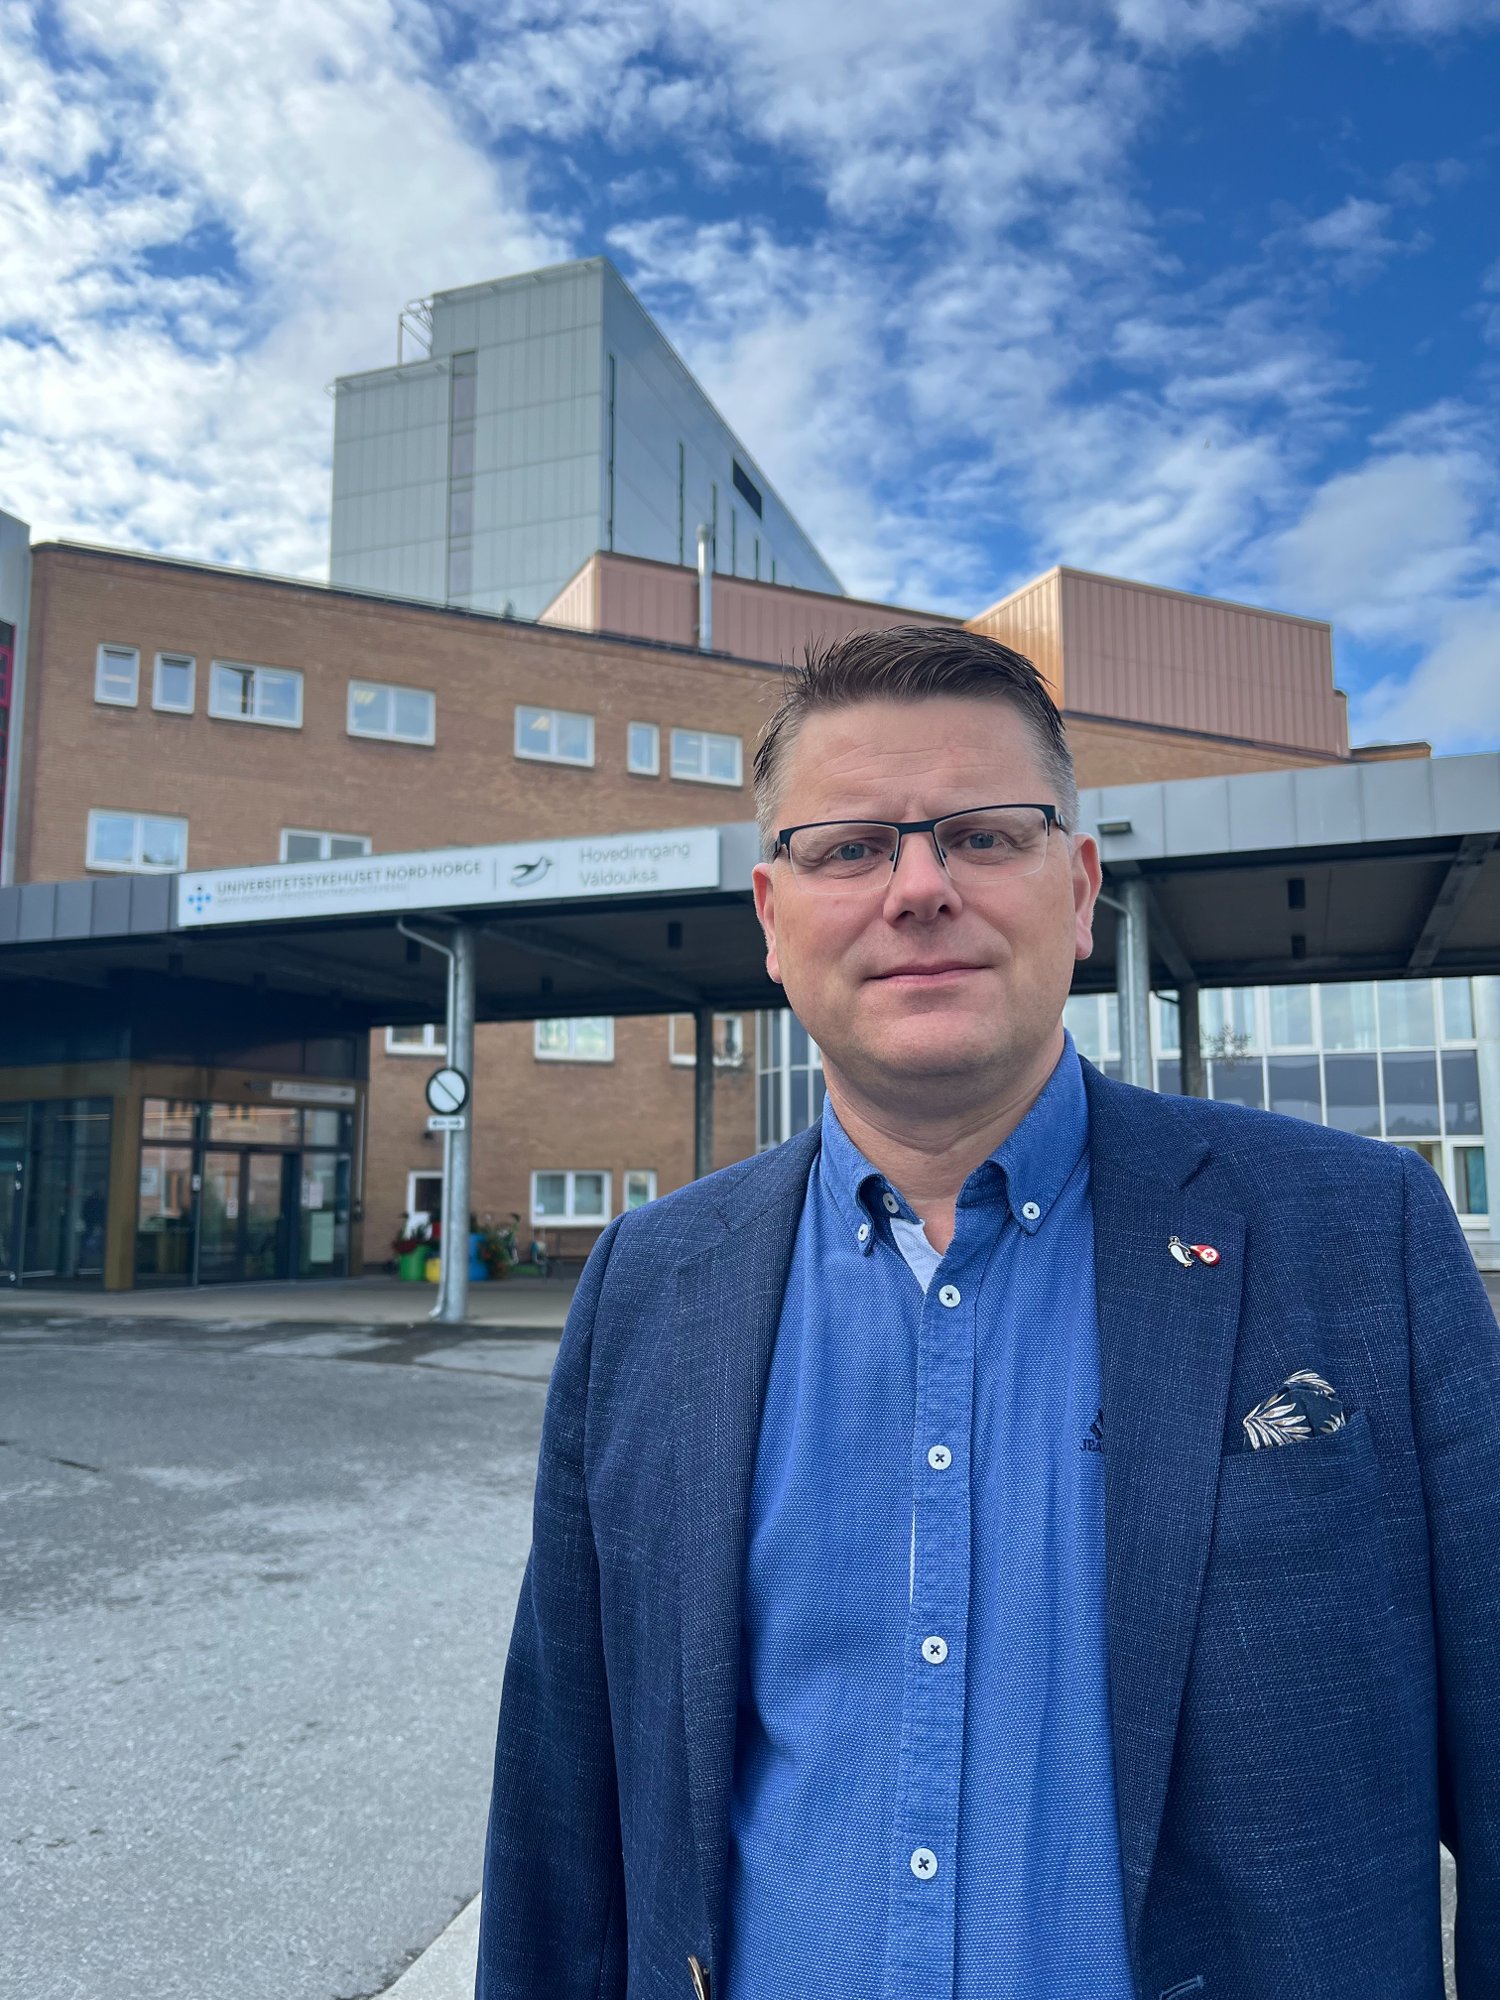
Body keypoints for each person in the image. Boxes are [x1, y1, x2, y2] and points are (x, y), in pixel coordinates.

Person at [476, 627, 1500, 1999]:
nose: (918, 889)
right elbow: (561, 1820)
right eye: (849, 848)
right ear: (772, 919)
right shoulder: (649, 1287)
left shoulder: (1363, 1237)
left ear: (1078, 892)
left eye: (982, 836)